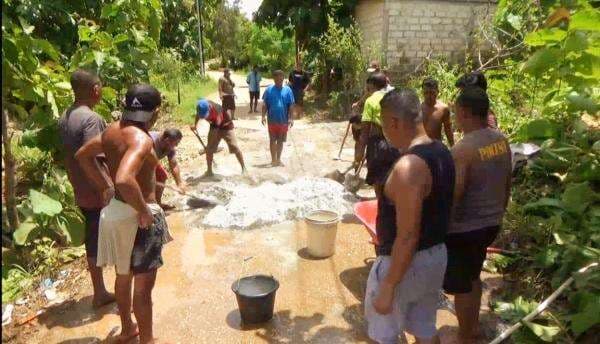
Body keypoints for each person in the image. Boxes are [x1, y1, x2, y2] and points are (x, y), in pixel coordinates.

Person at [76, 84, 171, 344]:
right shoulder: (141, 138)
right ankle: (147, 340)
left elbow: (83, 155)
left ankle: (128, 329)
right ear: (155, 112)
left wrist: (104, 187)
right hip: (138, 218)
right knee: (143, 288)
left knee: (123, 275)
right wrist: (143, 210)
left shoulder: (111, 132)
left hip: (116, 212)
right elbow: (125, 178)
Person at [365, 89, 455, 344]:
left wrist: (388, 286)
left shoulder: (409, 168)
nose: (384, 130)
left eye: (384, 123)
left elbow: (407, 236)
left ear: (394, 122)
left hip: (406, 264)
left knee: (383, 335)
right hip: (435, 256)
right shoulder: (442, 152)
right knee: (425, 329)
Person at [443, 87, 511, 344]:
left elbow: (455, 194)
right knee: (473, 275)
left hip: (466, 227)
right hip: (491, 221)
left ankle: (465, 335)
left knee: (463, 284)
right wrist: (500, 211)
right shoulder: (500, 139)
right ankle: (471, 328)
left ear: (464, 112)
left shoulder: (463, 148)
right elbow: (507, 181)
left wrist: (443, 227)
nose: (455, 117)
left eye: (456, 112)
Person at [58, 69, 115, 309]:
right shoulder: (91, 119)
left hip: (79, 187)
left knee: (92, 238)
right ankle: (102, 292)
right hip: (95, 190)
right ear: (95, 90)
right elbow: (88, 157)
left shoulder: (64, 117)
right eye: (100, 86)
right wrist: (107, 186)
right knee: (105, 237)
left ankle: (100, 288)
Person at [355, 72, 401, 200]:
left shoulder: (371, 101)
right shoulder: (395, 98)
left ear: (372, 86)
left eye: (368, 87)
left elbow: (365, 131)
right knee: (393, 178)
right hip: (397, 144)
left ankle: (381, 206)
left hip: (378, 145)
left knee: (378, 183)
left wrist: (360, 151)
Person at [192, 99, 246, 176]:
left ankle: (244, 168)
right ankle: (209, 171)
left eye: (205, 115)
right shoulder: (201, 107)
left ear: (209, 108)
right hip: (214, 125)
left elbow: (216, 129)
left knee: (234, 146)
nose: (204, 117)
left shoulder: (217, 111)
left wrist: (210, 145)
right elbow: (198, 115)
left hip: (226, 126)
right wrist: (195, 125)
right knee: (209, 150)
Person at [262, 70, 295, 167]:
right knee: (272, 140)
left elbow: (291, 105)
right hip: (272, 120)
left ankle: (278, 160)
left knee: (280, 140)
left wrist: (291, 118)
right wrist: (263, 116)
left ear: (283, 78)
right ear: (274, 79)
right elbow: (265, 104)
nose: (279, 80)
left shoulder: (288, 90)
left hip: (283, 120)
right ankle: (273, 160)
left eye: (280, 78)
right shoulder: (269, 90)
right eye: (276, 78)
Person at [150, 129, 186, 210]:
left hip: (151, 162)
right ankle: (148, 206)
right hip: (138, 161)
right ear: (167, 140)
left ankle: (158, 204)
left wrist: (179, 183)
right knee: (149, 181)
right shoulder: (150, 141)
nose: (176, 146)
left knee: (161, 176)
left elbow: (174, 164)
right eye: (176, 143)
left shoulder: (169, 145)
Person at [422, 78, 454, 146]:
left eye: (431, 93)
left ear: (437, 92)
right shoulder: (418, 108)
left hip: (436, 147)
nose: (428, 96)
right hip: (421, 148)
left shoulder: (443, 109)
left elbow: (448, 130)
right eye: (426, 93)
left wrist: (453, 146)